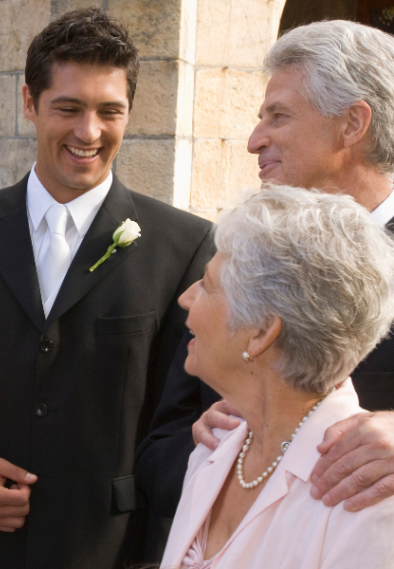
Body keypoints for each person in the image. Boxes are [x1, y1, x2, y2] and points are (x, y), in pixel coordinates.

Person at [0, 8, 214, 568]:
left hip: (115, 548)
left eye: (109, 111)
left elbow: (183, 414)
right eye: (68, 108)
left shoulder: (185, 245)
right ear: (29, 102)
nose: (88, 132)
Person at [136, 20, 394, 557]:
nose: (255, 140)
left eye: (278, 116)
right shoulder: (237, 256)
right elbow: (159, 450)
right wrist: (209, 451)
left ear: (353, 124)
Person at [159, 186, 394, 568]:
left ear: (261, 331)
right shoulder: (216, 444)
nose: (186, 298)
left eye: (207, 285)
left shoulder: (367, 501)